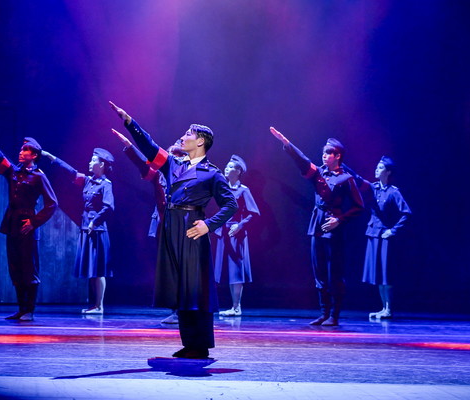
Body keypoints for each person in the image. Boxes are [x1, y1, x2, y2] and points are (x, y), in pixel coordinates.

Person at [110, 101, 237, 359]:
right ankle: (189, 343)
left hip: (192, 229)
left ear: (200, 141)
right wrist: (130, 123)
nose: (184, 136)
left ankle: (201, 344)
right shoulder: (174, 165)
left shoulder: (212, 174)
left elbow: (230, 204)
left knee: (195, 287)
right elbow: (149, 146)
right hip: (171, 227)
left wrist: (208, 224)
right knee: (180, 286)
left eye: (189, 134)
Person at [269, 127, 364, 326]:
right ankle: (324, 312)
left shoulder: (346, 179)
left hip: (333, 227)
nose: (324, 155)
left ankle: (334, 315)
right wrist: (286, 143)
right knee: (319, 272)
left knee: (334, 273)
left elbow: (358, 207)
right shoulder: (319, 173)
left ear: (337, 156)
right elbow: (303, 161)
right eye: (323, 152)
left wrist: (340, 220)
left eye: (328, 153)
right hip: (317, 226)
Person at [0, 123, 58, 321]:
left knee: (29, 267)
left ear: (34, 155)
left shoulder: (39, 177)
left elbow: (52, 204)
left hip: (27, 225)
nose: (21, 152)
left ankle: (29, 310)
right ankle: (21, 309)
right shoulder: (14, 172)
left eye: (25, 150)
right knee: (15, 267)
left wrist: (34, 222)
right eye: (21, 149)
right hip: (12, 223)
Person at [110, 129, 185, 324]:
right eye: (171, 155)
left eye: (177, 155)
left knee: (182, 267)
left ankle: (184, 309)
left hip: (182, 226)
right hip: (164, 225)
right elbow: (145, 166)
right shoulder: (159, 175)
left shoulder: (189, 174)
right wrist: (129, 146)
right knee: (169, 268)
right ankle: (176, 309)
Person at [41, 148, 115, 315]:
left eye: (93, 160)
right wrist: (51, 157)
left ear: (101, 165)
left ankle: (100, 306)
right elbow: (71, 172)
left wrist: (95, 222)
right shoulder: (88, 181)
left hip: (97, 230)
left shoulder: (105, 184)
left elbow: (109, 206)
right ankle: (95, 305)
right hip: (86, 228)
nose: (90, 162)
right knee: (92, 270)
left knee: (98, 270)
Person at [346, 157, 412, 319]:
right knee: (378, 274)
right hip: (373, 234)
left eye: (381, 167)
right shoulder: (373, 188)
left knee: (385, 274)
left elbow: (407, 213)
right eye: (377, 167)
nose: (376, 169)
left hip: (385, 237)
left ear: (388, 172)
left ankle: (388, 309)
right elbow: (358, 179)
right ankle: (383, 308)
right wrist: (342, 166)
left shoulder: (393, 192)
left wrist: (393, 230)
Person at [214, 155, 260, 317]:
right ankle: (232, 306)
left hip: (236, 233)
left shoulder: (243, 190)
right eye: (226, 166)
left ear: (238, 171)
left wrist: (240, 225)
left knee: (236, 270)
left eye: (230, 167)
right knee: (226, 270)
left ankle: (236, 306)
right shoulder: (222, 188)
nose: (226, 169)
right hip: (223, 232)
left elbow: (254, 213)